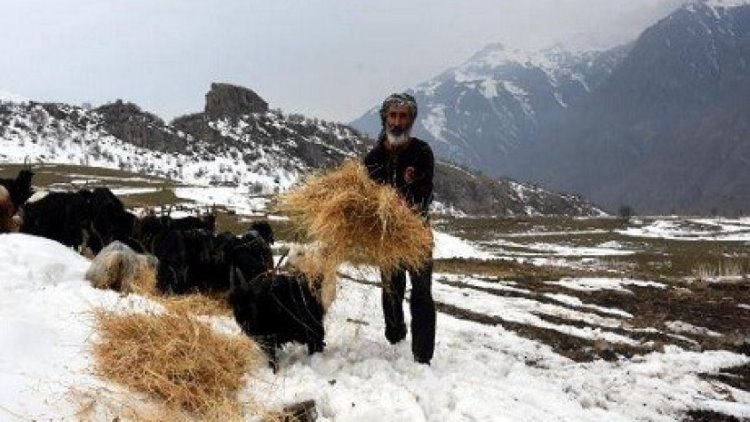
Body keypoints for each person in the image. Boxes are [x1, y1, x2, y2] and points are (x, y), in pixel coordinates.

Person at [363, 93, 435, 364]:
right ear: (385, 118)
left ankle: (423, 355)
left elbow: (424, 193)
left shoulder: (422, 152)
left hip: (417, 233)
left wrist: (400, 202)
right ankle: (395, 336)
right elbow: (365, 196)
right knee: (391, 289)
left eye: (403, 116)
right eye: (392, 116)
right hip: (387, 236)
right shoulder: (373, 158)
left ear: (411, 120)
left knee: (421, 293)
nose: (397, 122)